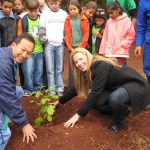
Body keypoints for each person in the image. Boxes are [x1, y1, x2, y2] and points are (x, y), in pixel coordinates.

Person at [51, 48, 150, 132]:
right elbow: (76, 88)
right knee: (98, 103)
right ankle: (124, 111)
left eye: (81, 59)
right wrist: (60, 101)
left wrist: (78, 115)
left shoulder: (100, 65)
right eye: (76, 62)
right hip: (117, 87)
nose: (79, 63)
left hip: (134, 84)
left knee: (114, 98)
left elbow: (95, 92)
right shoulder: (86, 70)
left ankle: (119, 123)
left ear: (87, 56)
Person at [0, 33, 37, 150]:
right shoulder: (3, 64)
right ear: (13, 45)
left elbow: (9, 89)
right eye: (23, 49)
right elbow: (7, 96)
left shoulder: (7, 55)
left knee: (19, 91)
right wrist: (24, 123)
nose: (25, 55)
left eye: (29, 53)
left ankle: (8, 116)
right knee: (5, 134)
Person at [39, 0, 67, 96]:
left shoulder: (64, 14)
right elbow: (41, 28)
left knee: (59, 68)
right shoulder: (45, 14)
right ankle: (51, 90)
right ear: (48, 3)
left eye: (56, 3)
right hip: (49, 44)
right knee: (50, 69)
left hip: (60, 44)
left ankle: (59, 89)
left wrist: (64, 39)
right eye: (51, 4)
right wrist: (45, 40)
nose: (54, 6)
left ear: (59, 2)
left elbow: (67, 28)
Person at [18, 0, 44, 96]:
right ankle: (28, 88)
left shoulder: (41, 18)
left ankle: (37, 87)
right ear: (26, 10)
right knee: (28, 70)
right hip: (28, 51)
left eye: (35, 11)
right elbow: (20, 35)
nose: (33, 13)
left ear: (38, 9)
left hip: (40, 50)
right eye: (31, 11)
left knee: (39, 70)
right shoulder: (23, 20)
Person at [64, 0, 89, 89]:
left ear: (79, 9)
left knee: (83, 65)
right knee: (72, 67)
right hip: (72, 48)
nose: (72, 11)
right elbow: (67, 34)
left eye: (74, 9)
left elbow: (86, 35)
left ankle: (84, 86)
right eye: (70, 9)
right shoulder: (67, 20)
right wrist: (70, 48)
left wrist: (80, 47)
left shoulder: (84, 19)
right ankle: (72, 87)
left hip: (82, 48)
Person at [134, 0, 150, 84]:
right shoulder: (144, 2)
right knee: (148, 70)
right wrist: (139, 44)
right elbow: (141, 25)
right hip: (149, 43)